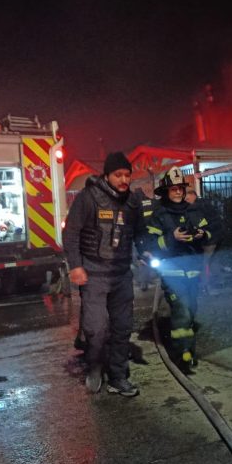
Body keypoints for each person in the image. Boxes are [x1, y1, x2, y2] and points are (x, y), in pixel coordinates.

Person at [63, 152, 144, 397]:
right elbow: (71, 234)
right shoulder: (88, 199)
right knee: (96, 329)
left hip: (121, 275)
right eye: (118, 174)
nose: (124, 179)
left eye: (127, 175)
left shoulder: (132, 202)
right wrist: (75, 265)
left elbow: (140, 233)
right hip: (94, 275)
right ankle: (95, 366)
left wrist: (147, 253)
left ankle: (118, 377)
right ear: (107, 175)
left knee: (122, 328)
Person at [144, 167, 220, 370]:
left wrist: (201, 234)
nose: (178, 192)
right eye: (174, 189)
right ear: (166, 192)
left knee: (191, 310)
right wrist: (172, 238)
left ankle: (187, 350)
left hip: (193, 272)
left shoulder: (193, 211)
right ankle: (183, 355)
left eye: (180, 189)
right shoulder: (159, 215)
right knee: (182, 311)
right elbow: (150, 243)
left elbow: (212, 233)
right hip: (172, 273)